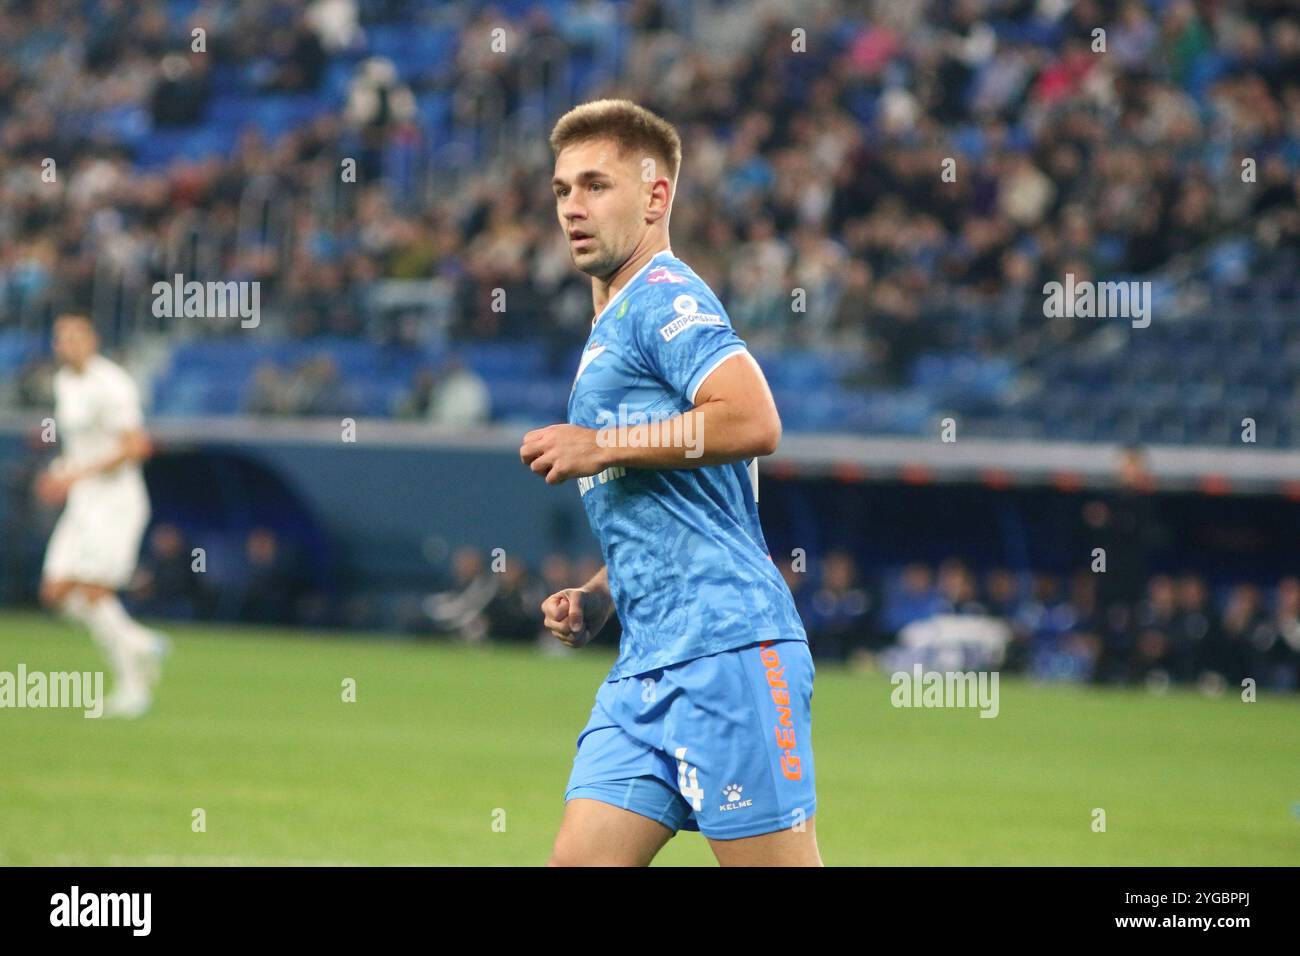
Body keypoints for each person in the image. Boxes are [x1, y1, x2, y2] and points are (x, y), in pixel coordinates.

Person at [519, 99, 820, 866]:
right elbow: (682, 505)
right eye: (561, 190)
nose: (573, 208)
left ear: (656, 197)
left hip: (727, 649)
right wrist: (601, 593)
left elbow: (754, 421)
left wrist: (599, 444)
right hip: (645, 663)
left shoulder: (664, 298)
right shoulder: (612, 321)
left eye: (596, 185)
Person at [36, 315, 167, 718]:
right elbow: (83, 447)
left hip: (116, 501)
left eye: (76, 337)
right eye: (62, 339)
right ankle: (139, 642)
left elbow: (137, 446)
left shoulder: (112, 384)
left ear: (93, 340)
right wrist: (62, 471)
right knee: (55, 592)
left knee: (95, 591)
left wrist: (76, 474)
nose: (68, 345)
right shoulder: (64, 382)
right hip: (84, 499)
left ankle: (134, 689)